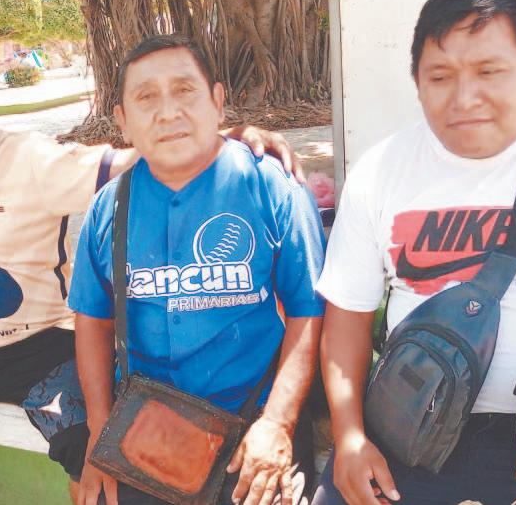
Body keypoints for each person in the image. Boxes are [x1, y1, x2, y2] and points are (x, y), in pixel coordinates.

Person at [0, 55, 307, 505]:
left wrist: (221, 136)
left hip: (42, 348)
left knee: (89, 454)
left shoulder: (35, 160)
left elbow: (141, 156)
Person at [313, 0, 516, 505]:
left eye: (489, 72)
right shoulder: (381, 170)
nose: (464, 99)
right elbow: (346, 317)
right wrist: (349, 437)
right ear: (416, 81)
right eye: (440, 76)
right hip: (411, 428)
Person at [69, 34, 326, 505]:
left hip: (253, 424)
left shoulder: (272, 188)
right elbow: (92, 321)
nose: (168, 112)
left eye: (184, 90)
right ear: (122, 121)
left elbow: (309, 311)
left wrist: (278, 422)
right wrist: (99, 428)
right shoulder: (109, 207)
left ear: (218, 101)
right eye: (146, 97)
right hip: (147, 428)